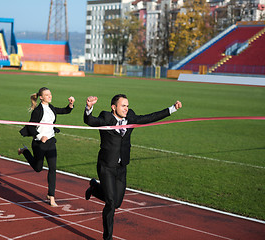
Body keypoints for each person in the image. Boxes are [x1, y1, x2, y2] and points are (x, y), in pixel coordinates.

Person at [84, 94, 182, 240]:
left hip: (122, 167)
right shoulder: (106, 117)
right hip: (107, 166)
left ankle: (94, 188)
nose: (126, 108)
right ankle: (107, 237)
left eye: (127, 105)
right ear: (114, 107)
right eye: (123, 105)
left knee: (116, 203)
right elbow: (91, 121)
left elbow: (150, 117)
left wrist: (172, 108)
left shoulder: (130, 117)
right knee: (110, 204)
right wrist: (89, 108)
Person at [18, 87, 75, 207]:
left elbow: (64, 111)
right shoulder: (38, 111)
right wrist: (39, 136)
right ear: (41, 97)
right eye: (47, 95)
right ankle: (25, 151)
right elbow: (30, 127)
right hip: (39, 143)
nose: (50, 96)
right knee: (38, 168)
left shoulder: (51, 108)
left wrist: (70, 105)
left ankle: (51, 196)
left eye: (50, 94)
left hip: (51, 142)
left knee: (52, 168)